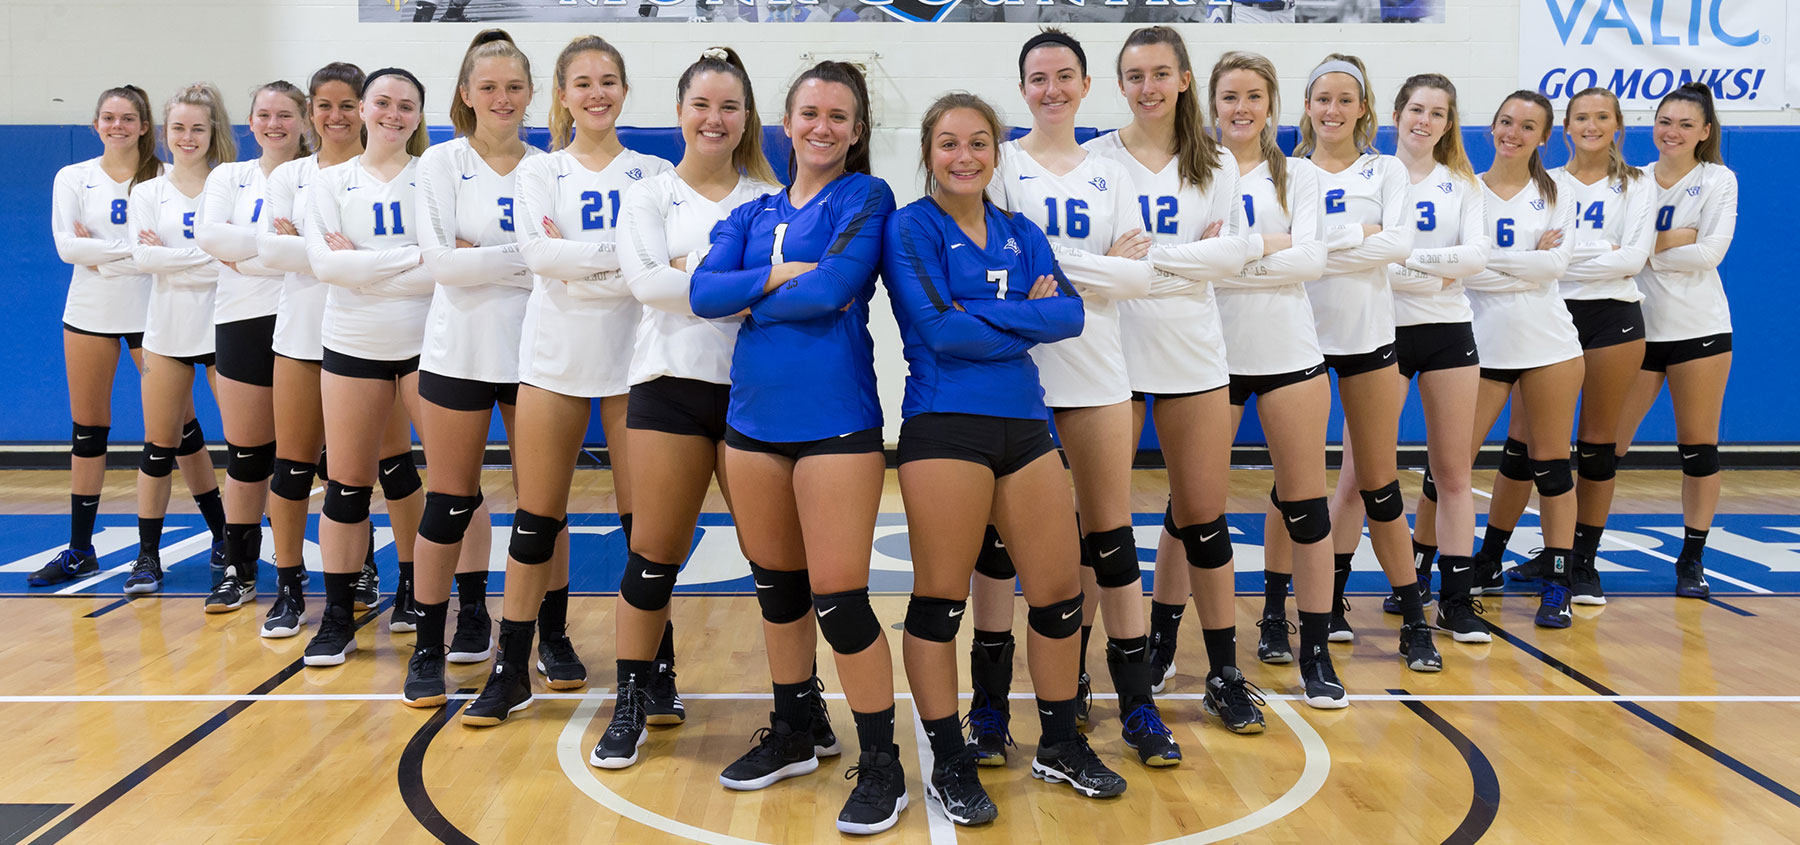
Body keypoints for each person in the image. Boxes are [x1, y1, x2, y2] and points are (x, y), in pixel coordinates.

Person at [886, 91, 1124, 826]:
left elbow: (1071, 314)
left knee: (1055, 595)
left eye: (979, 143)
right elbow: (938, 333)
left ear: (996, 152)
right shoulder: (909, 227)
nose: (964, 156)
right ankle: (949, 759)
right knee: (940, 600)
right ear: (929, 152)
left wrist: (978, 316)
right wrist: (1025, 317)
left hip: (1025, 426)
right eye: (949, 143)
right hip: (944, 425)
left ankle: (1057, 742)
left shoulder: (1021, 231)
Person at [689, 60, 906, 836]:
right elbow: (701, 295)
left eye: (838, 117)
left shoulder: (866, 197)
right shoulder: (752, 211)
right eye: (809, 112)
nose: (822, 127)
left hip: (836, 426)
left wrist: (755, 289)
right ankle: (796, 728)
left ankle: (881, 758)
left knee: (842, 601)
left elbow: (833, 288)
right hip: (751, 427)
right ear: (785, 122)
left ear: (856, 131)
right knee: (778, 592)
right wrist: (779, 273)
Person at [972, 27, 1179, 766]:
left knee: (1112, 544)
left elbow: (1141, 274)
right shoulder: (1001, 167)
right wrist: (1096, 267)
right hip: (1015, 379)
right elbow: (993, 271)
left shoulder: (1110, 171)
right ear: (1022, 87)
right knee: (996, 552)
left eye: (1065, 76)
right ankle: (990, 708)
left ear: (1086, 85)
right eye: (1037, 77)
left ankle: (1136, 706)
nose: (1051, 88)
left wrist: (1055, 272)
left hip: (1095, 376)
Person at [473, 34, 674, 725]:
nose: (596, 92)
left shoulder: (651, 173)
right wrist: (617, 259)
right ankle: (511, 667)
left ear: (624, 90)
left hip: (633, 362)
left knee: (643, 527)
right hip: (553, 359)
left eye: (608, 80)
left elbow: (658, 259)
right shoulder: (538, 171)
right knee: (535, 520)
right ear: (561, 94)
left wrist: (579, 257)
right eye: (582, 82)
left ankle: (655, 669)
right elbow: (536, 252)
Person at [590, 46, 779, 765]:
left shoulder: (768, 198)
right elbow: (644, 285)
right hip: (667, 387)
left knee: (775, 564)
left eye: (729, 105)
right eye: (701, 104)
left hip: (752, 395)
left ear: (746, 118)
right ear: (678, 113)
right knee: (653, 556)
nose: (715, 117)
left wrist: (689, 274)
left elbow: (782, 291)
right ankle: (634, 698)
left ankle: (798, 705)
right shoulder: (648, 194)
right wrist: (741, 279)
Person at [1090, 27, 1264, 733]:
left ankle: (1223, 672)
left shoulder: (1216, 161)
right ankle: (1077, 668)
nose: (1148, 86)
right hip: (1111, 350)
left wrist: (1145, 260)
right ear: (1121, 83)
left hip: (1193, 350)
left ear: (1185, 79)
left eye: (1161, 73)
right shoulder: (1097, 158)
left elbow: (1231, 258)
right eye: (1135, 75)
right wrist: (1185, 256)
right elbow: (1093, 257)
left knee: (1204, 517)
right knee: (1098, 521)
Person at [1475, 87, 1654, 606]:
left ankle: (1582, 564)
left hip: (1611, 318)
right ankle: (1490, 556)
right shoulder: (1547, 184)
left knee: (1597, 447)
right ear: (1566, 129)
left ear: (1618, 125)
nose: (1592, 125)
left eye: (1602, 117)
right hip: (1548, 312)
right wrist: (1568, 256)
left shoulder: (1637, 184)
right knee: (1523, 449)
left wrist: (1558, 257)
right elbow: (1526, 260)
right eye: (1582, 117)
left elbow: (1634, 259)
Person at [1285, 54, 1433, 675]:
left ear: (1365, 108)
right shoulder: (1287, 171)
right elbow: (1295, 253)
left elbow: (1399, 245)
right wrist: (1356, 237)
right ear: (1308, 105)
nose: (1333, 110)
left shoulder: (1388, 168)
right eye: (1323, 98)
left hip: (1370, 340)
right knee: (1292, 487)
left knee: (1379, 483)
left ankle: (1414, 618)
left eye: (1346, 99)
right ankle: (1276, 614)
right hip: (1298, 344)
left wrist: (1321, 244)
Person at [407, 29, 541, 710]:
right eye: (488, 86)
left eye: (514, 87)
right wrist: (520, 256)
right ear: (465, 94)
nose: (502, 98)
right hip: (456, 352)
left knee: (538, 503)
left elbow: (560, 261)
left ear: (530, 94)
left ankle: (553, 634)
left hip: (535, 354)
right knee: (449, 500)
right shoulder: (438, 162)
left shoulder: (548, 166)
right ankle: (430, 642)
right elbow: (440, 264)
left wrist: (477, 252)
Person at [1202, 52, 1340, 709]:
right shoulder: (1194, 172)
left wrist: (1235, 251)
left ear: (1271, 103)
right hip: (1208, 358)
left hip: (1290, 354)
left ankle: (1315, 650)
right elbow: (1190, 264)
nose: (1241, 107)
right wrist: (1270, 246)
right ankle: (1176, 641)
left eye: (1253, 95)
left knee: (1307, 507)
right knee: (1192, 510)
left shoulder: (1303, 174)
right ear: (1212, 104)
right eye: (1229, 96)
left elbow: (1313, 259)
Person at [300, 68, 435, 666]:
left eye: (406, 105)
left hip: (428, 345)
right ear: (362, 110)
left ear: (418, 115)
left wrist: (370, 263)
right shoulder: (330, 182)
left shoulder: (432, 179)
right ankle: (336, 617)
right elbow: (326, 267)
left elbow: (443, 266)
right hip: (352, 343)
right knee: (348, 485)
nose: (392, 114)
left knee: (443, 484)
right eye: (382, 102)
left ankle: (416, 593)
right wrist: (409, 263)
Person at [1372, 74, 1491, 644]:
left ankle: (1456, 600)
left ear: (1449, 123)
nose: (1424, 120)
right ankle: (1345, 593)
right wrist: (1434, 271)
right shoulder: (1372, 175)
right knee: (1361, 474)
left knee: (1452, 474)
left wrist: (1405, 263)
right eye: (1416, 108)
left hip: (1449, 332)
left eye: (1437, 112)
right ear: (1396, 113)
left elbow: (1475, 257)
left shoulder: (1463, 184)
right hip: (1379, 333)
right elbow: (1368, 262)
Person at [254, 62, 368, 638]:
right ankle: (291, 586)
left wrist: (313, 246)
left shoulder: (389, 173)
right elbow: (273, 251)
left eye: (347, 103)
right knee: (293, 465)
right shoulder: (289, 177)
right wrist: (341, 252)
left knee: (375, 471)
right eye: (324, 105)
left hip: (373, 337)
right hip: (300, 334)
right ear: (309, 113)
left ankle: (381, 580)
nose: (336, 115)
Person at [1463, 90, 1582, 629]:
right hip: (1480, 344)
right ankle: (1430, 575)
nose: (1514, 132)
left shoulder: (1558, 192)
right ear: (1492, 127)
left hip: (1550, 344)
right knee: (1450, 468)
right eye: (1506, 121)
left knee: (1552, 469)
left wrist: (1498, 263)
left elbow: (1554, 267)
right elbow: (1465, 269)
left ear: (1543, 137)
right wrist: (1526, 261)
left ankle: (1559, 584)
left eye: (1528, 126)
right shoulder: (1465, 191)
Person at [37, 86, 163, 588]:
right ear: (95, 125)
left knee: (177, 429)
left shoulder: (162, 179)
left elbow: (171, 247)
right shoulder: (74, 176)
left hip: (153, 314)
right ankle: (80, 549)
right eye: (108, 118)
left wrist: (102, 251)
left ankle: (225, 535)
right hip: (89, 312)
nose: (118, 126)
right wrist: (134, 251)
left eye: (128, 118)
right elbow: (67, 248)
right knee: (88, 430)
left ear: (144, 126)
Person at [1616, 82, 1737, 599]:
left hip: (1700, 330)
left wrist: (1644, 249)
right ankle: (1575, 555)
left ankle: (1692, 556)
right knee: (1604, 448)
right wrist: (1673, 239)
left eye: (1687, 124)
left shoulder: (1718, 179)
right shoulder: (1632, 180)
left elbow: (1710, 253)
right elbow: (1611, 248)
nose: (1674, 132)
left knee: (1698, 449)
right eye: (1666, 121)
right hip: (1636, 330)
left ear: (1705, 132)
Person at [194, 80, 309, 611]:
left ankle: (353, 569)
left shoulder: (317, 175)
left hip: (306, 320)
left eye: (285, 114)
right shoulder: (229, 176)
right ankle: (239, 569)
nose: (274, 124)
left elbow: (320, 251)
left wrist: (250, 253)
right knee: (246, 453)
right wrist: (282, 247)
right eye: (264, 114)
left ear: (304, 121)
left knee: (317, 459)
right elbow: (210, 236)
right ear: (250, 120)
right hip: (241, 319)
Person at [123, 83, 235, 596]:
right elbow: (143, 259)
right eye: (178, 128)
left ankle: (235, 546)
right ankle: (147, 558)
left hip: (225, 328)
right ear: (164, 133)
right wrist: (209, 256)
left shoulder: (230, 184)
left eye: (197, 127)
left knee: (245, 447)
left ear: (212, 132)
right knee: (158, 447)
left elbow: (242, 258)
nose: (187, 137)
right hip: (166, 332)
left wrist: (177, 255)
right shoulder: (148, 190)